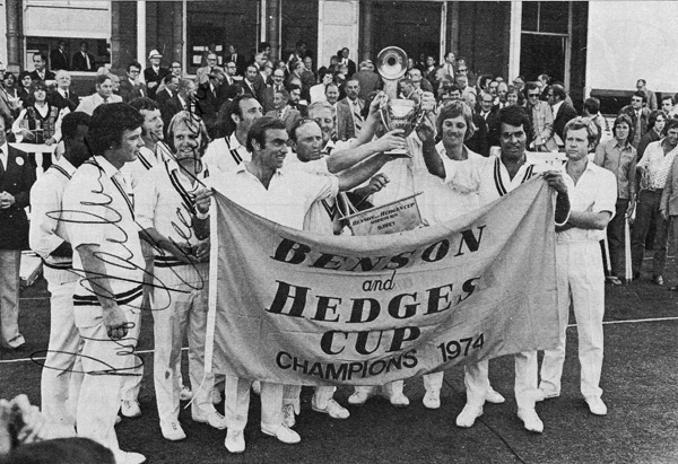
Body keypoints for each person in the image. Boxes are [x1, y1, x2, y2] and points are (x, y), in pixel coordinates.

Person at [422, 105, 570, 432]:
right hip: (487, 265)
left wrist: (560, 189)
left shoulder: (543, 169)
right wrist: (426, 142)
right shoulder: (483, 167)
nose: (513, 140)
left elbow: (561, 217)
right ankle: (474, 400)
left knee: (526, 338)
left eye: (518, 134)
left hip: (529, 264)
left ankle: (526, 405)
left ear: (527, 135)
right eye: (506, 135)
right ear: (498, 137)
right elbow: (440, 170)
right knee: (478, 336)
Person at [61, 103, 146, 464]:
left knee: (108, 383)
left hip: (125, 295)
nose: (140, 145)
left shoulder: (115, 173)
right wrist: (110, 307)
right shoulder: (87, 182)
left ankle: (106, 451)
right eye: (133, 139)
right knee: (100, 383)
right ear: (112, 143)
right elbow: (88, 251)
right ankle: (94, 458)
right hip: (105, 303)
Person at [135, 111, 223, 441]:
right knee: (168, 349)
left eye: (192, 136)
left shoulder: (216, 175)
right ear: (170, 141)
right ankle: (169, 414)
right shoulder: (155, 175)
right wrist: (176, 249)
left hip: (204, 270)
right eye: (180, 138)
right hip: (169, 273)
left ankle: (202, 404)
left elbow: (223, 223)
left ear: (202, 137)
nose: (186, 143)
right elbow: (143, 223)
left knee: (204, 344)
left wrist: (209, 242)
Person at [538, 117, 617, 417]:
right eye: (569, 139)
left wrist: (563, 213)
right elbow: (545, 220)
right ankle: (548, 384)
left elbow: (600, 220)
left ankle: (591, 390)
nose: (572, 145)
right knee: (554, 324)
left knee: (590, 326)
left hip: (587, 253)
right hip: (556, 252)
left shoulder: (604, 177)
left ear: (591, 144)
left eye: (579, 140)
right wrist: (572, 215)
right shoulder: (551, 174)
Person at [29, 111, 91, 436]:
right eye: (84, 139)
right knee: (62, 353)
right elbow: (40, 239)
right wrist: (84, 251)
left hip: (85, 277)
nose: (90, 145)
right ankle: (54, 427)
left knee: (82, 355)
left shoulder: (83, 177)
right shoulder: (50, 183)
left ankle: (74, 417)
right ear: (67, 141)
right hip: (65, 280)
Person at [0, 117, 34, 350]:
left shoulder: (21, 155)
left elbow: (32, 190)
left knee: (10, 286)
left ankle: (10, 336)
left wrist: (15, 199)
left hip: (10, 230)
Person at [631, 118, 678, 283]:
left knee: (661, 237)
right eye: (672, 132)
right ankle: (634, 270)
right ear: (666, 131)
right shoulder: (652, 146)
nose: (675, 136)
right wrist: (643, 172)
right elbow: (639, 165)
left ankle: (657, 273)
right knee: (639, 234)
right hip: (647, 194)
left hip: (664, 197)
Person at [593, 114, 636, 285]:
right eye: (618, 126)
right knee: (599, 233)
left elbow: (631, 178)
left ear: (629, 130)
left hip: (621, 196)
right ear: (614, 129)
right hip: (603, 195)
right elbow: (596, 170)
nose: (621, 130)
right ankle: (600, 270)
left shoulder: (632, 152)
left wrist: (632, 199)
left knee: (616, 235)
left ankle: (614, 272)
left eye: (625, 127)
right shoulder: (604, 146)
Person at [203, 95, 262, 175]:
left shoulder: (270, 147)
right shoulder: (215, 149)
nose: (260, 116)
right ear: (236, 118)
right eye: (252, 111)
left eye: (260, 110)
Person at [11, 81, 66, 147]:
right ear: (33, 94)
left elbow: (60, 128)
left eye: (42, 90)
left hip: (50, 147)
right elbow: (14, 127)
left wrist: (53, 139)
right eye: (37, 90)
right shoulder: (26, 111)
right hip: (31, 148)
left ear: (46, 93)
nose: (40, 92)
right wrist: (22, 131)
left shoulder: (55, 110)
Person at [525, 82, 557, 152]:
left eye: (536, 95)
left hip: (546, 145)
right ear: (527, 96)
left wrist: (540, 140)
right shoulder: (523, 108)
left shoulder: (545, 106)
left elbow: (549, 127)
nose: (534, 98)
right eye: (531, 95)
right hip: (528, 147)